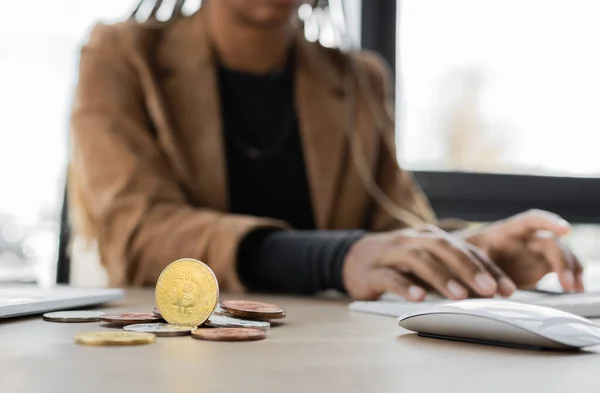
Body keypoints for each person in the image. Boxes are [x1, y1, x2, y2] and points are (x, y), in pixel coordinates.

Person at [69, 0, 584, 301]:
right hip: (174, 358)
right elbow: (136, 235)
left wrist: (476, 254)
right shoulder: (122, 57)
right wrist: (334, 258)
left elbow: (394, 232)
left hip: (335, 358)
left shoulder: (358, 80)